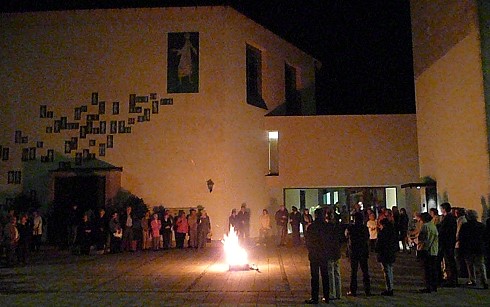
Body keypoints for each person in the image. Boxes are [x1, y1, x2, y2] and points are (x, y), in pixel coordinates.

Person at [305, 208, 329, 304]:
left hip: (314, 254)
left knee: (314, 277)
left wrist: (310, 250)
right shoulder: (326, 226)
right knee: (325, 275)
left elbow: (308, 241)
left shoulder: (312, 227)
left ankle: (315, 297)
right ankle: (326, 297)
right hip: (324, 254)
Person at [459, 209, 488, 289]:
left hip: (468, 248)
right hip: (479, 248)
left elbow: (462, 238)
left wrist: (461, 248)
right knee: (481, 265)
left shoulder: (465, 226)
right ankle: (484, 281)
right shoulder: (481, 225)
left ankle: (472, 279)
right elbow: (485, 237)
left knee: (470, 265)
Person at [345, 212, 371, 297]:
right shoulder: (364, 228)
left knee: (354, 272)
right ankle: (367, 290)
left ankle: (353, 290)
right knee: (365, 272)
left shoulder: (351, 228)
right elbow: (367, 237)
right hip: (363, 251)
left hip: (354, 251)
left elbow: (346, 236)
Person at [417, 212, 439, 293]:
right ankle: (434, 286)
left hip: (427, 251)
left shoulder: (425, 227)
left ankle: (428, 286)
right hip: (434, 250)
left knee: (427, 270)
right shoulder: (433, 226)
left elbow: (424, 240)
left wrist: (422, 249)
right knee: (433, 270)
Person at [376, 217, 398, 296]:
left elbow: (379, 244)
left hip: (384, 254)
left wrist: (377, 250)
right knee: (390, 270)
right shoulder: (392, 232)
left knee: (386, 271)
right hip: (391, 253)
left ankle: (389, 289)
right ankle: (391, 287)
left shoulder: (382, 233)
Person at [438, 202, 458, 287]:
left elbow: (443, 231)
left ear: (444, 209)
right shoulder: (451, 218)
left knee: (449, 260)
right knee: (449, 260)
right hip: (450, 242)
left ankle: (451, 279)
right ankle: (452, 279)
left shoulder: (448, 218)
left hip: (447, 242)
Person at [325, 209, 342, 301]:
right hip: (337, 251)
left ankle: (332, 293)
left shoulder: (327, 227)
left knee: (330, 272)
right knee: (337, 272)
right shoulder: (337, 227)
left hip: (330, 251)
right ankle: (339, 293)